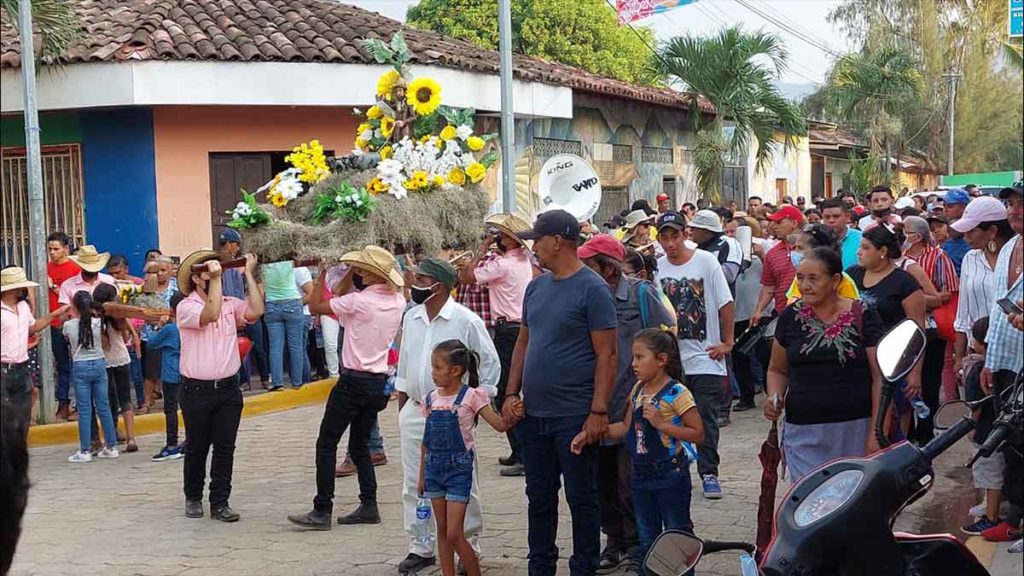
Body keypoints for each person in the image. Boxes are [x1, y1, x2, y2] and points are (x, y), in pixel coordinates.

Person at [499, 209, 618, 575]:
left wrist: (598, 412)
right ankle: (541, 567)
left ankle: (583, 567)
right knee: (539, 498)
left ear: (557, 241)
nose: (533, 246)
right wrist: (510, 393)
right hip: (534, 416)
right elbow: (523, 342)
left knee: (581, 499)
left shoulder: (592, 289)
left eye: (537, 239)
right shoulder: (536, 286)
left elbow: (607, 354)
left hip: (575, 416)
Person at [394, 258, 499, 574]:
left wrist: (474, 405)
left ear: (437, 285)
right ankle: (421, 545)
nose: (414, 282)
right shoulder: (411, 318)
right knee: (415, 480)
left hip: (454, 415)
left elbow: (489, 365)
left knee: (462, 482)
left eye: (421, 278)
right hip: (416, 409)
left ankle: (468, 544)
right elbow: (405, 365)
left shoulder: (464, 320)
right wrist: (403, 408)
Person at [579, 235, 676, 572]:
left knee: (629, 481)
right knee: (601, 480)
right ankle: (614, 541)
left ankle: (640, 546)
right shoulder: (583, 295)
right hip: (594, 402)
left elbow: (665, 337)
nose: (582, 269)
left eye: (589, 264)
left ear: (607, 266)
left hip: (633, 404)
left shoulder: (641, 293)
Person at [289, 246, 405, 529]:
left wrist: (322, 276)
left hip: (353, 380)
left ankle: (322, 509)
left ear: (370, 275)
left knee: (326, 443)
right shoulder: (398, 301)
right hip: (378, 381)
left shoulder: (359, 301)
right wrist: (356, 268)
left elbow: (316, 306)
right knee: (360, 445)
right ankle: (369, 504)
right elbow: (344, 293)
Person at [572, 329, 703, 575]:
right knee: (646, 536)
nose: (633, 364)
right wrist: (589, 434)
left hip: (670, 475)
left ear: (662, 360)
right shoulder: (637, 391)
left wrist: (663, 425)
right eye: (633, 357)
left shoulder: (677, 394)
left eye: (640, 357)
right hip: (640, 476)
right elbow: (624, 427)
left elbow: (698, 433)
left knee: (678, 534)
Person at [765, 247, 884, 480]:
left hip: (854, 429)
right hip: (803, 430)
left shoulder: (863, 314)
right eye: (800, 277)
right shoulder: (790, 317)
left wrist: (877, 431)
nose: (804, 285)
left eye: (813, 278)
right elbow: (777, 369)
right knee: (810, 505)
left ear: (835, 280)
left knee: (850, 505)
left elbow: (880, 377)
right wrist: (774, 396)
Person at [176, 249, 263, 522]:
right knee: (197, 446)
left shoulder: (229, 303)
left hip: (227, 388)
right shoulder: (186, 306)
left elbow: (257, 310)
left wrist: (248, 273)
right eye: (208, 271)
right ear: (196, 278)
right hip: (196, 390)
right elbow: (209, 314)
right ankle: (193, 495)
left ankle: (220, 501)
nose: (216, 274)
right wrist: (214, 279)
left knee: (225, 447)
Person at [654, 211, 734, 500]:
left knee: (705, 418)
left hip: (706, 357)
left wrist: (727, 342)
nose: (670, 242)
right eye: (664, 237)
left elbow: (725, 304)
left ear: (685, 234)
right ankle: (676, 471)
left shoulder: (706, 261)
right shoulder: (657, 269)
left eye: (675, 235)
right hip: (672, 359)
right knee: (671, 417)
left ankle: (709, 472)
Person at [417, 340, 514, 576]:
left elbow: (500, 425)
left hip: (458, 472)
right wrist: (421, 477)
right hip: (433, 470)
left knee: (454, 533)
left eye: (437, 368)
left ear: (456, 370)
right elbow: (426, 442)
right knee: (441, 530)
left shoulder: (472, 396)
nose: (433, 373)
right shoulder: (430, 399)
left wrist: (514, 414)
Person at [457, 214, 534, 476]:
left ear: (511, 239)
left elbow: (466, 276)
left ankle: (523, 454)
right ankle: (519, 451)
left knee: (505, 394)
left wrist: (481, 250)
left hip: (507, 330)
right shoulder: (524, 260)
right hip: (518, 327)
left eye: (500, 235)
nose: (495, 239)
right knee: (511, 391)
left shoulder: (501, 264)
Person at [847, 226, 925, 440]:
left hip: (895, 362)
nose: (858, 252)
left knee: (894, 418)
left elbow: (917, 328)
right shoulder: (852, 275)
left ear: (882, 251)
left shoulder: (904, 282)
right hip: (859, 359)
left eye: (865, 248)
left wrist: (915, 372)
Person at [977, 183, 1023, 544]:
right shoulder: (1008, 247)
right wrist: (990, 361)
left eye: (1022, 205)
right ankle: (1015, 516)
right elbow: (997, 308)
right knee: (1011, 441)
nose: (1016, 211)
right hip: (1006, 361)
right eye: (1012, 204)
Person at [902, 216, 959, 443]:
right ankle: (909, 433)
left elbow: (949, 292)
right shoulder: (901, 259)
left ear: (916, 237)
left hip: (931, 328)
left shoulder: (939, 257)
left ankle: (926, 432)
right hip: (906, 326)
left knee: (929, 380)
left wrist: (915, 300)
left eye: (905, 232)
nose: (902, 236)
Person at [951, 198, 1013, 381]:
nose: (966, 236)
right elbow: (963, 315)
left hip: (1012, 356)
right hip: (976, 354)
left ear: (992, 231)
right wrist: (959, 357)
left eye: (972, 231)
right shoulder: (971, 258)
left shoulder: (1015, 258)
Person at [2, 268, 68, 422]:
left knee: (22, 414)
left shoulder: (23, 307)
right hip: (3, 369)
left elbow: (32, 327)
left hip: (22, 367)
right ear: (12, 289)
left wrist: (54, 315)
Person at [960, 317, 1005, 535]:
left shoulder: (976, 370)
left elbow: (974, 408)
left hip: (986, 436)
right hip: (1004, 431)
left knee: (991, 476)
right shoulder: (1005, 367)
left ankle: (991, 517)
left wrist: (970, 429)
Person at [64, 291, 120, 463]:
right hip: (98, 364)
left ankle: (85, 450)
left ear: (74, 307)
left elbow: (68, 341)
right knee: (104, 406)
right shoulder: (98, 324)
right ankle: (111, 446)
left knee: (85, 409)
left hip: (80, 365)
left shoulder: (68, 326)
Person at [91, 283, 140, 453]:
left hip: (103, 360)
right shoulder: (118, 316)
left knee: (108, 400)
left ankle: (110, 437)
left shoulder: (95, 317)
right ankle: (131, 438)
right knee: (125, 398)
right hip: (121, 357)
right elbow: (124, 335)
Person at [218, 229, 270, 387]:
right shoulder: (219, 264)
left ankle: (264, 378)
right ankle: (242, 381)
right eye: (236, 244)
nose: (239, 248)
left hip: (246, 309)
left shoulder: (243, 264)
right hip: (228, 311)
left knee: (258, 346)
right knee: (232, 348)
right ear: (228, 244)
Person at [46, 232, 80, 420]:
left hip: (73, 323)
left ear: (66, 249)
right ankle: (63, 403)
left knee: (78, 364)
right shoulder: (45, 268)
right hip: (54, 324)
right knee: (62, 365)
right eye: (50, 249)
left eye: (56, 249)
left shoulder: (75, 268)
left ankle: (77, 404)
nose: (52, 252)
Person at [148, 292, 185, 462]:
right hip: (187, 369)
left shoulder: (170, 328)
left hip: (171, 371)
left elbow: (152, 343)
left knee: (170, 409)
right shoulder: (187, 324)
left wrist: (159, 326)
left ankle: (171, 445)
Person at [751, 205, 803, 322]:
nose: (774, 226)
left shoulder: (812, 248)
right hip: (782, 315)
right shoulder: (772, 253)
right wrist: (759, 310)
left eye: (779, 222)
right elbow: (769, 286)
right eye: (774, 222)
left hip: (810, 314)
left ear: (794, 223)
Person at [261, 257, 307, 391]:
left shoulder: (263, 263)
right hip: (291, 301)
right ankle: (297, 382)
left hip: (272, 304)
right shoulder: (290, 260)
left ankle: (277, 383)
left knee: (275, 347)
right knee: (295, 346)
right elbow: (298, 261)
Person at [687, 210, 742, 288]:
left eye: (693, 228)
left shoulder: (729, 243)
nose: (690, 232)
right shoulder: (697, 248)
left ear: (705, 230)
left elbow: (729, 275)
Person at [820, 198, 863, 269]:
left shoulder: (861, 239)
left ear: (847, 217)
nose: (831, 220)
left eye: (836, 216)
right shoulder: (816, 240)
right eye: (827, 217)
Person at [941, 189, 972, 275]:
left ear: (964, 207)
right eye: (944, 206)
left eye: (950, 206)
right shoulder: (946, 235)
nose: (945, 210)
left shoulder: (975, 236)